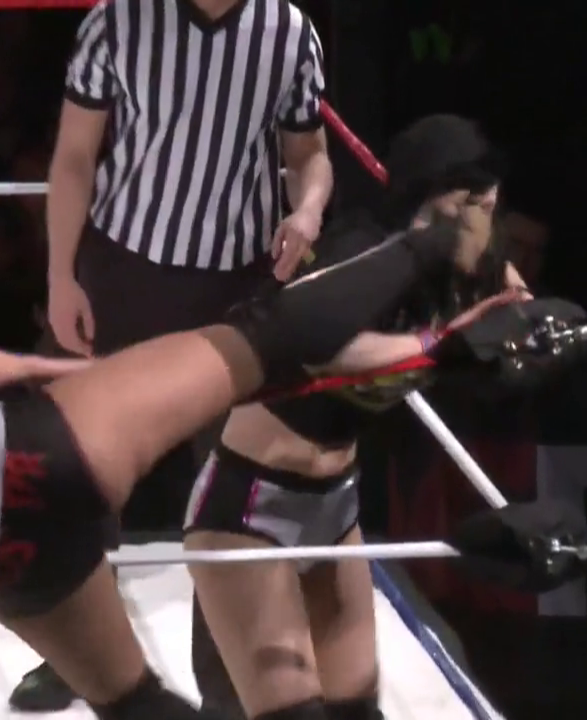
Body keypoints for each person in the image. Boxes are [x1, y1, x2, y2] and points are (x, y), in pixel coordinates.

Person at [0, 204, 499, 719]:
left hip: (0, 560)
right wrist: (64, 375)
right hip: (32, 464)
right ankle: (433, 245)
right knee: (262, 337)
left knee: (135, 705)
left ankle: (440, 334)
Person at [24, 0, 333, 704]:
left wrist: (308, 209)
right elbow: (74, 156)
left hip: (237, 282)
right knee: (79, 463)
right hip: (122, 266)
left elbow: (309, 153)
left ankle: (225, 681)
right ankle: (79, 654)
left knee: (228, 485)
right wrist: (61, 275)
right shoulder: (118, 20)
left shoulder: (288, 30)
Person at [185, 114, 528, 720]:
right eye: (472, 194)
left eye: (491, 193)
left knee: (356, 713)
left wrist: (528, 328)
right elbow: (313, 347)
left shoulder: (472, 263)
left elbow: (523, 323)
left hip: (334, 504)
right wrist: (433, 347)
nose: (487, 206)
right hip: (250, 506)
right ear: (434, 196)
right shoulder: (362, 254)